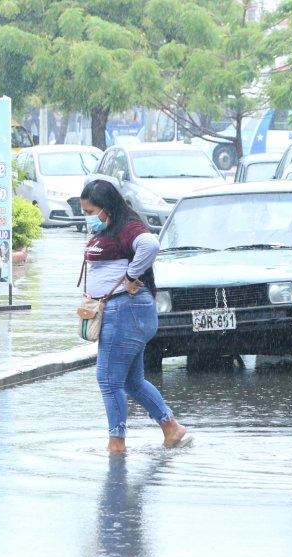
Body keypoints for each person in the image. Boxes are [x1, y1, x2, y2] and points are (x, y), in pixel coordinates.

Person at [80, 179, 190, 453]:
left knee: (108, 380)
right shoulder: (110, 228)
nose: (88, 218)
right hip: (120, 310)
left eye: (91, 211)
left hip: (124, 310)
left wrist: (130, 277)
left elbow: (151, 245)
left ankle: (116, 442)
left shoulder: (128, 226)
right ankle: (171, 428)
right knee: (131, 381)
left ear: (107, 207)